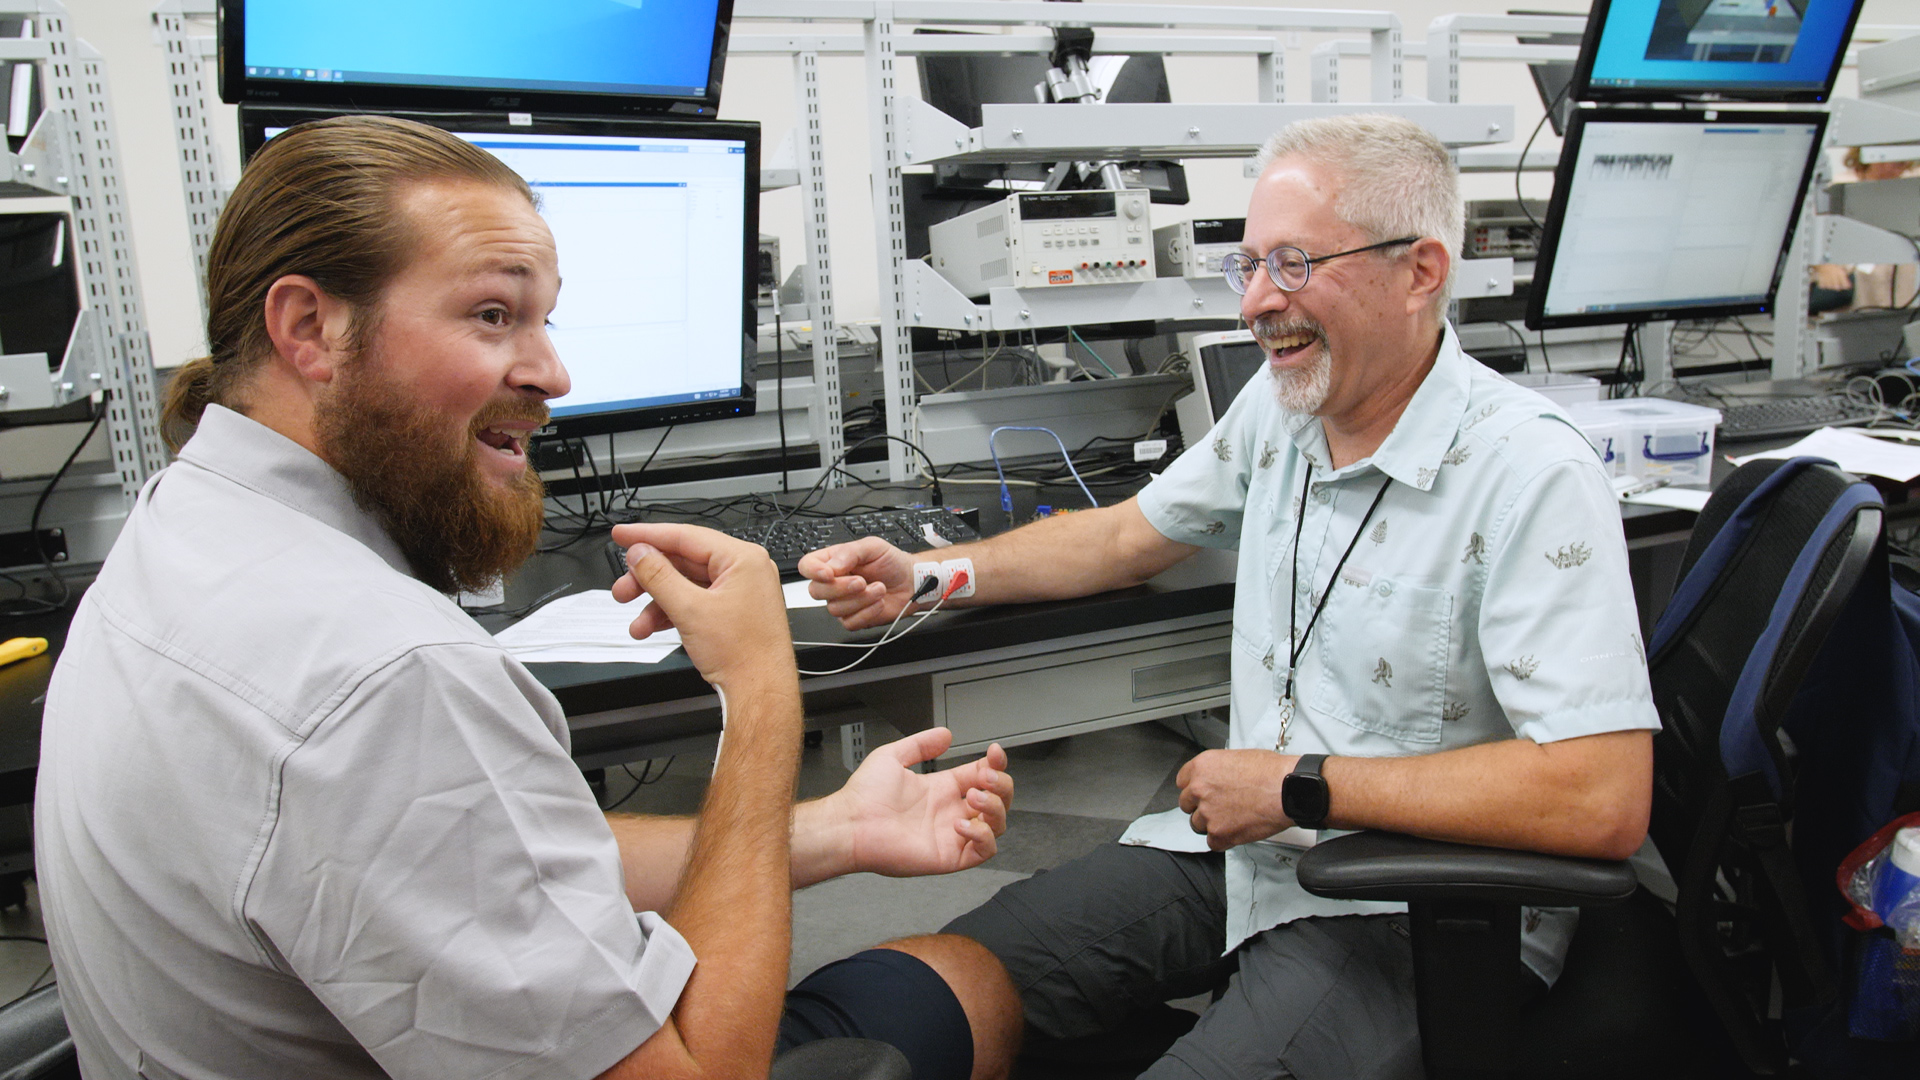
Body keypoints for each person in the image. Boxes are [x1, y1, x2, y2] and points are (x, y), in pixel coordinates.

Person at [35, 115, 1021, 1080]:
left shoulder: (178, 530)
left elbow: (485, 866)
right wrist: (762, 694)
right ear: (308, 328)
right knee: (964, 979)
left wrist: (834, 831)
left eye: (545, 318)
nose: (553, 372)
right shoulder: (387, 674)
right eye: (494, 314)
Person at [799, 113, 1660, 1080]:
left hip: (1417, 906)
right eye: (1246, 266)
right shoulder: (1287, 406)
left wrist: (1298, 784)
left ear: (1421, 272)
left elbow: (1602, 796)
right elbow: (1128, 536)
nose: (1254, 303)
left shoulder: (1529, 473)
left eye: (1291, 264)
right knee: (912, 998)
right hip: (1244, 856)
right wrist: (933, 578)